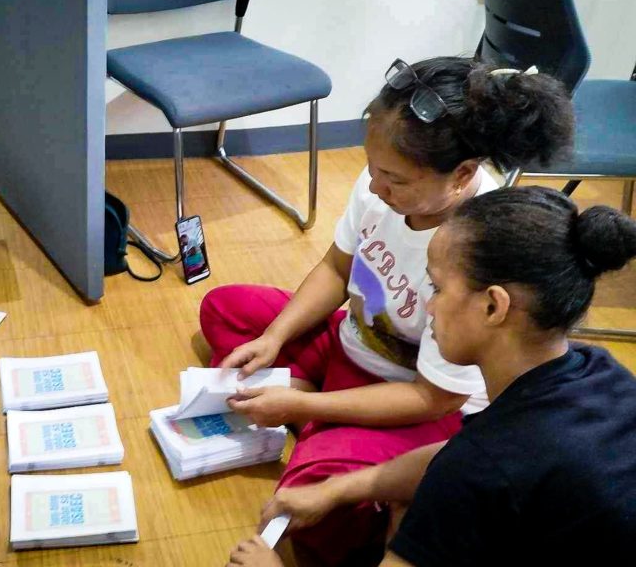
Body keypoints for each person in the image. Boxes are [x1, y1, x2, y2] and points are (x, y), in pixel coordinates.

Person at [201, 57, 574, 565]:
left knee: (315, 511)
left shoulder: (479, 248)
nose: (375, 188)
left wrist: (302, 410)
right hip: (353, 341)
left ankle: (321, 419)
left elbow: (433, 396)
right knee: (227, 310)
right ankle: (319, 406)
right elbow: (337, 267)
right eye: (372, 169)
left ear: (463, 174)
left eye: (394, 180)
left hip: (416, 400)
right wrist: (274, 335)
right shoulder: (385, 176)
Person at [229, 186, 636, 566]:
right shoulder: (597, 368)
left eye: (437, 288)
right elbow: (455, 453)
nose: (429, 306)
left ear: (494, 307)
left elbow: (468, 464)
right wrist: (336, 489)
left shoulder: (481, 466)